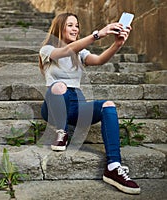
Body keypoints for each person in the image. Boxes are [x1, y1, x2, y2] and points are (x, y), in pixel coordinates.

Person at [38, 12, 140, 194]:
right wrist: (97, 34)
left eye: (77, 25)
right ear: (59, 28)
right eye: (70, 25)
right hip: (54, 106)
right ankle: (61, 132)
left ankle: (113, 166)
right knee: (59, 86)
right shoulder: (47, 50)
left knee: (108, 105)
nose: (75, 28)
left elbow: (99, 60)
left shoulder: (81, 53)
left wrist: (117, 44)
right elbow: (65, 51)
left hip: (77, 104)